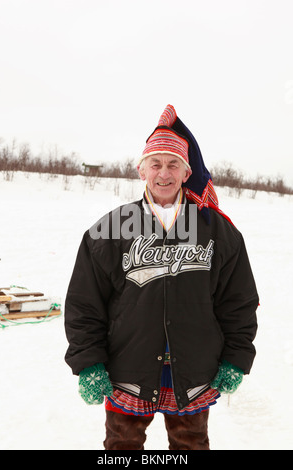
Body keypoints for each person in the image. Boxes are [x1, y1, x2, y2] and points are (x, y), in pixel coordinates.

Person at [64, 104, 259, 450]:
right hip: (127, 369)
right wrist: (88, 363)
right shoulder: (110, 229)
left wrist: (236, 358)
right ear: (142, 171)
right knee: (122, 447)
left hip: (194, 371)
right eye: (156, 164)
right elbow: (84, 303)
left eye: (173, 165)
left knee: (191, 446)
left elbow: (238, 302)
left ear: (187, 172)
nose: (164, 173)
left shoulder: (218, 230)